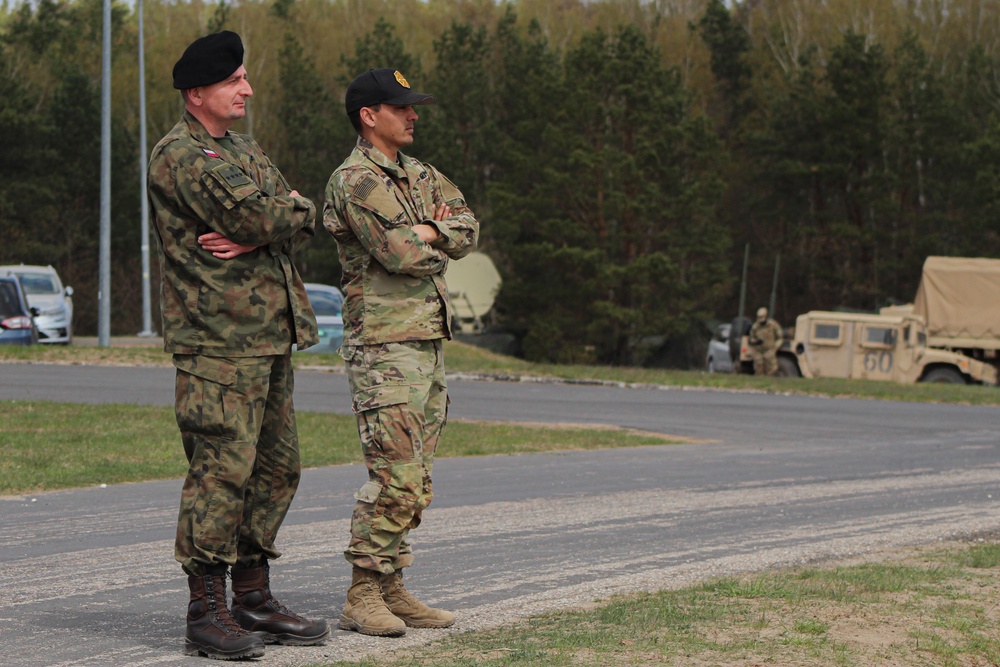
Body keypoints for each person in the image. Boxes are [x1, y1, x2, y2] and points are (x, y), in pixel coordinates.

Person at [147, 30, 330, 660]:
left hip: (268, 336)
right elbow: (261, 215)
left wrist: (264, 231)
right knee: (221, 472)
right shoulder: (182, 156)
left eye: (246, 78)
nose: (246, 89)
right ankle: (207, 610)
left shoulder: (242, 149)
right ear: (197, 93)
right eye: (233, 81)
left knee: (277, 470)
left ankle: (253, 597)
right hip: (217, 342)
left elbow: (301, 212)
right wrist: (268, 224)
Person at [323, 68, 479, 637]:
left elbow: (466, 227)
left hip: (426, 341)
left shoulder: (417, 173)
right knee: (395, 475)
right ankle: (362, 592)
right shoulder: (355, 181)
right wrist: (430, 237)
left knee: (419, 475)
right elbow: (399, 253)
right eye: (401, 107)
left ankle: (391, 586)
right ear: (370, 115)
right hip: (385, 346)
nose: (413, 115)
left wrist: (432, 232)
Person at [748, 306, 783, 376]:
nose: (761, 320)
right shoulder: (755, 327)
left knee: (771, 368)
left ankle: (770, 380)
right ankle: (760, 381)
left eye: (762, 317)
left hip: (770, 350)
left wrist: (775, 347)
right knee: (759, 366)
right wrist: (756, 341)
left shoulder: (772, 325)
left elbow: (780, 337)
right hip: (758, 351)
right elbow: (751, 339)